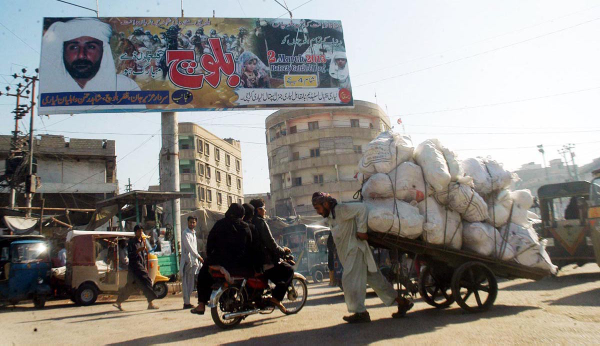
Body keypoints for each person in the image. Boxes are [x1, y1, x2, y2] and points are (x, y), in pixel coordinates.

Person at [312, 192, 413, 323]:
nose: (318, 212)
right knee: (377, 281)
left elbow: (362, 208)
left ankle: (360, 312)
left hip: (355, 251)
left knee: (349, 281)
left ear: (325, 204)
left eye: (318, 208)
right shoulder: (331, 217)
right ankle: (403, 302)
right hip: (351, 255)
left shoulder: (341, 210)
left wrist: (361, 230)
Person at [191, 203, 254, 315]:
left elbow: (210, 243)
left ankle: (201, 305)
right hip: (238, 265)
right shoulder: (245, 227)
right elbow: (249, 247)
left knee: (203, 274)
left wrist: (210, 257)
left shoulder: (219, 224)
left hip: (218, 261)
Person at [249, 198, 294, 313]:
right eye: (264, 209)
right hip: (265, 261)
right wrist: (282, 251)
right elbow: (270, 242)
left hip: (252, 261)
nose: (265, 212)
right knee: (288, 270)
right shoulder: (260, 222)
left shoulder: (249, 222)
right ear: (259, 210)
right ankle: (276, 298)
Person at [114, 225, 158, 311]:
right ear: (135, 232)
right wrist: (138, 250)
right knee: (147, 280)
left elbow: (142, 255)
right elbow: (131, 255)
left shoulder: (142, 241)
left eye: (141, 231)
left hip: (140, 265)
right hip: (135, 266)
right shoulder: (132, 242)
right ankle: (151, 302)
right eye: (139, 231)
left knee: (131, 286)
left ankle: (119, 301)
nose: (140, 233)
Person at [180, 215, 204, 309]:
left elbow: (195, 248)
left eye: (193, 222)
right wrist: (198, 257)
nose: (192, 224)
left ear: (196, 223)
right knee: (186, 283)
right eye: (190, 222)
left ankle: (188, 302)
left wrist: (197, 258)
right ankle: (186, 303)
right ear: (187, 222)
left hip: (193, 261)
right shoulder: (185, 233)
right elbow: (189, 247)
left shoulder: (194, 233)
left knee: (191, 283)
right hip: (186, 261)